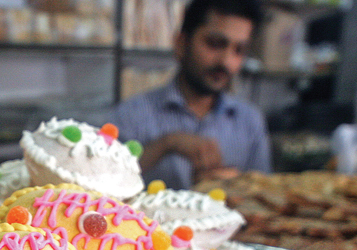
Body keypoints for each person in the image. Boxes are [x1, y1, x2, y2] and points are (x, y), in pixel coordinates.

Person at [111, 0, 272, 190]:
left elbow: (264, 195)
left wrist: (229, 184)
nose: (226, 62)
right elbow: (106, 183)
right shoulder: (131, 115)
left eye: (239, 50)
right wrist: (166, 144)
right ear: (181, 43)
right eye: (214, 44)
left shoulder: (250, 121)